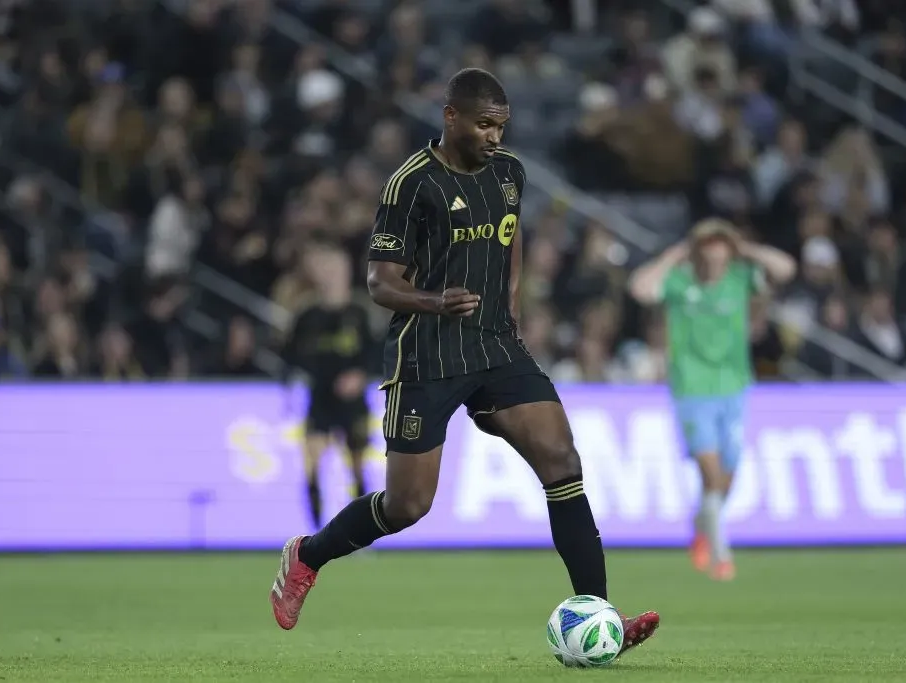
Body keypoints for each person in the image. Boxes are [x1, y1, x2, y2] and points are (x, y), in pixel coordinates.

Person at [270, 67, 660, 652]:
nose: (495, 136)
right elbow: (379, 281)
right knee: (409, 505)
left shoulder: (509, 173)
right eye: (484, 125)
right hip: (426, 354)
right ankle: (308, 555)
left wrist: (511, 303)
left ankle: (600, 616)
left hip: (496, 345)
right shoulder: (411, 184)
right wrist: (435, 300)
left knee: (561, 460)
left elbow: (512, 232)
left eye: (501, 126)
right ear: (450, 116)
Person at [629, 219, 796, 581]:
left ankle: (702, 524)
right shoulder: (679, 281)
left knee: (726, 473)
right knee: (710, 469)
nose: (715, 253)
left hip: (734, 386)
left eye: (721, 245)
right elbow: (640, 289)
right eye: (708, 245)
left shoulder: (740, 277)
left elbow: (786, 268)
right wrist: (672, 255)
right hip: (691, 388)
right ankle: (722, 554)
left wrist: (747, 249)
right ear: (698, 249)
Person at [279, 243, 375, 531]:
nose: (329, 275)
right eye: (324, 269)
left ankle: (361, 533)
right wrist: (294, 381)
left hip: (352, 402)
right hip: (319, 399)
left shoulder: (361, 311)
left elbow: (378, 350)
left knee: (357, 466)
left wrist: (360, 375)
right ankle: (316, 533)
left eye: (335, 269)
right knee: (312, 466)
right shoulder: (306, 315)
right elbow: (289, 353)